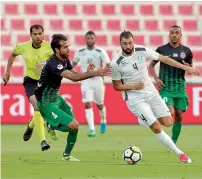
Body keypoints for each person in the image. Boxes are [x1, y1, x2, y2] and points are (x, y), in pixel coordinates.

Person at [110, 31, 200, 163]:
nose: (128, 46)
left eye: (130, 42)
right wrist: (133, 86)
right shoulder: (116, 63)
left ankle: (143, 120)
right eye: (125, 43)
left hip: (150, 91)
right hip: (135, 98)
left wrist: (187, 68)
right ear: (120, 44)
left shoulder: (142, 50)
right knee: (156, 126)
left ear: (133, 41)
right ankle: (180, 154)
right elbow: (116, 86)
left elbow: (165, 59)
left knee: (168, 122)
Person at [35, 34, 108, 161]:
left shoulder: (65, 59)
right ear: (57, 50)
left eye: (68, 46)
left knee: (74, 127)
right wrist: (95, 73)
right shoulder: (54, 64)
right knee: (73, 126)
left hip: (56, 97)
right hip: (46, 102)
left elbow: (75, 74)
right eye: (64, 47)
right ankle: (51, 126)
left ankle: (66, 155)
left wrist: (89, 72)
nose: (68, 49)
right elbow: (74, 78)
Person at [2, 24, 58, 151]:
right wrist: (8, 72)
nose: (38, 37)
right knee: (38, 107)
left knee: (42, 109)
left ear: (43, 34)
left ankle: (31, 124)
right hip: (31, 81)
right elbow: (13, 54)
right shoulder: (23, 47)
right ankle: (43, 141)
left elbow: (57, 66)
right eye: (35, 34)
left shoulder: (50, 48)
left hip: (45, 82)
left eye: (40, 34)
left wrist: (46, 71)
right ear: (31, 35)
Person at [149, 25, 193, 144]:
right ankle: (150, 118)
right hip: (166, 88)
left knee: (179, 115)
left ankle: (173, 141)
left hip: (180, 88)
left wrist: (189, 68)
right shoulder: (161, 50)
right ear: (169, 35)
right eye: (172, 33)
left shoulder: (187, 51)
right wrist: (157, 79)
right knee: (170, 113)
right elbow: (151, 65)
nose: (174, 35)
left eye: (177, 33)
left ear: (180, 35)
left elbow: (190, 68)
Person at [72, 31, 110, 137]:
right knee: (87, 103)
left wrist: (99, 71)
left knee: (100, 105)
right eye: (88, 38)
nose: (90, 40)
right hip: (86, 81)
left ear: (95, 39)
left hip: (98, 80)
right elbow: (73, 64)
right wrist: (73, 73)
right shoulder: (80, 51)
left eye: (92, 38)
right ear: (85, 39)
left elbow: (107, 64)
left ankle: (103, 120)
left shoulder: (100, 51)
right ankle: (92, 129)